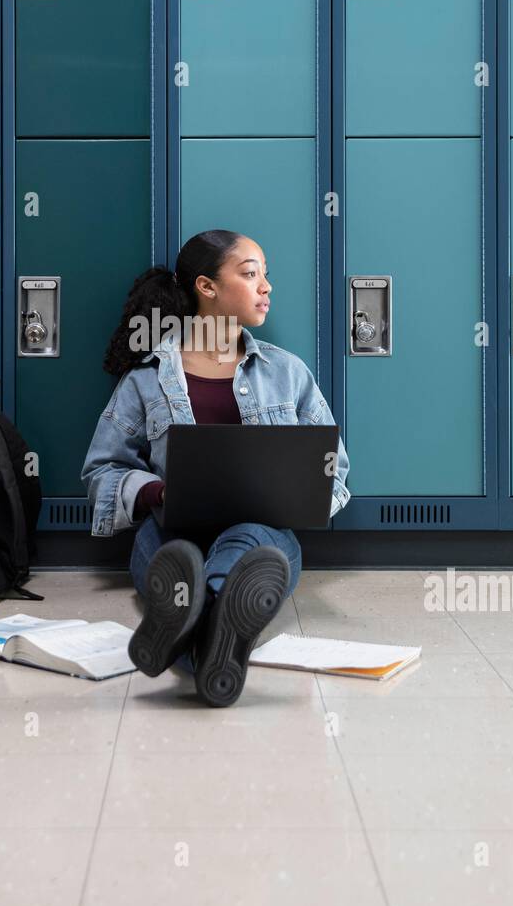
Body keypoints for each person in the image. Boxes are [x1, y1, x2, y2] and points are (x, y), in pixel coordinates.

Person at [80, 229, 351, 708]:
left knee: (247, 547)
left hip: (259, 536)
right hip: (173, 535)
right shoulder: (147, 376)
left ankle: (192, 633)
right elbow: (102, 470)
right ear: (207, 287)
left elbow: (334, 468)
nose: (266, 286)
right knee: (178, 559)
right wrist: (158, 494)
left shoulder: (287, 372)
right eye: (250, 274)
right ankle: (221, 640)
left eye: (266, 275)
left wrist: (295, 493)